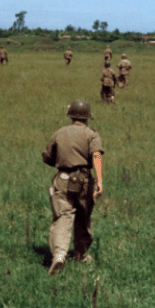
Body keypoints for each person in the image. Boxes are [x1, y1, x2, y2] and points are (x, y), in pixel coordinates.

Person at [41, 99, 104, 274]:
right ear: (87, 117)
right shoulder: (92, 134)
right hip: (84, 180)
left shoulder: (59, 133)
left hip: (62, 178)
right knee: (83, 218)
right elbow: (97, 156)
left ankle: (59, 256)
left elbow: (48, 157)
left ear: (71, 115)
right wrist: (99, 181)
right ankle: (80, 255)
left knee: (63, 216)